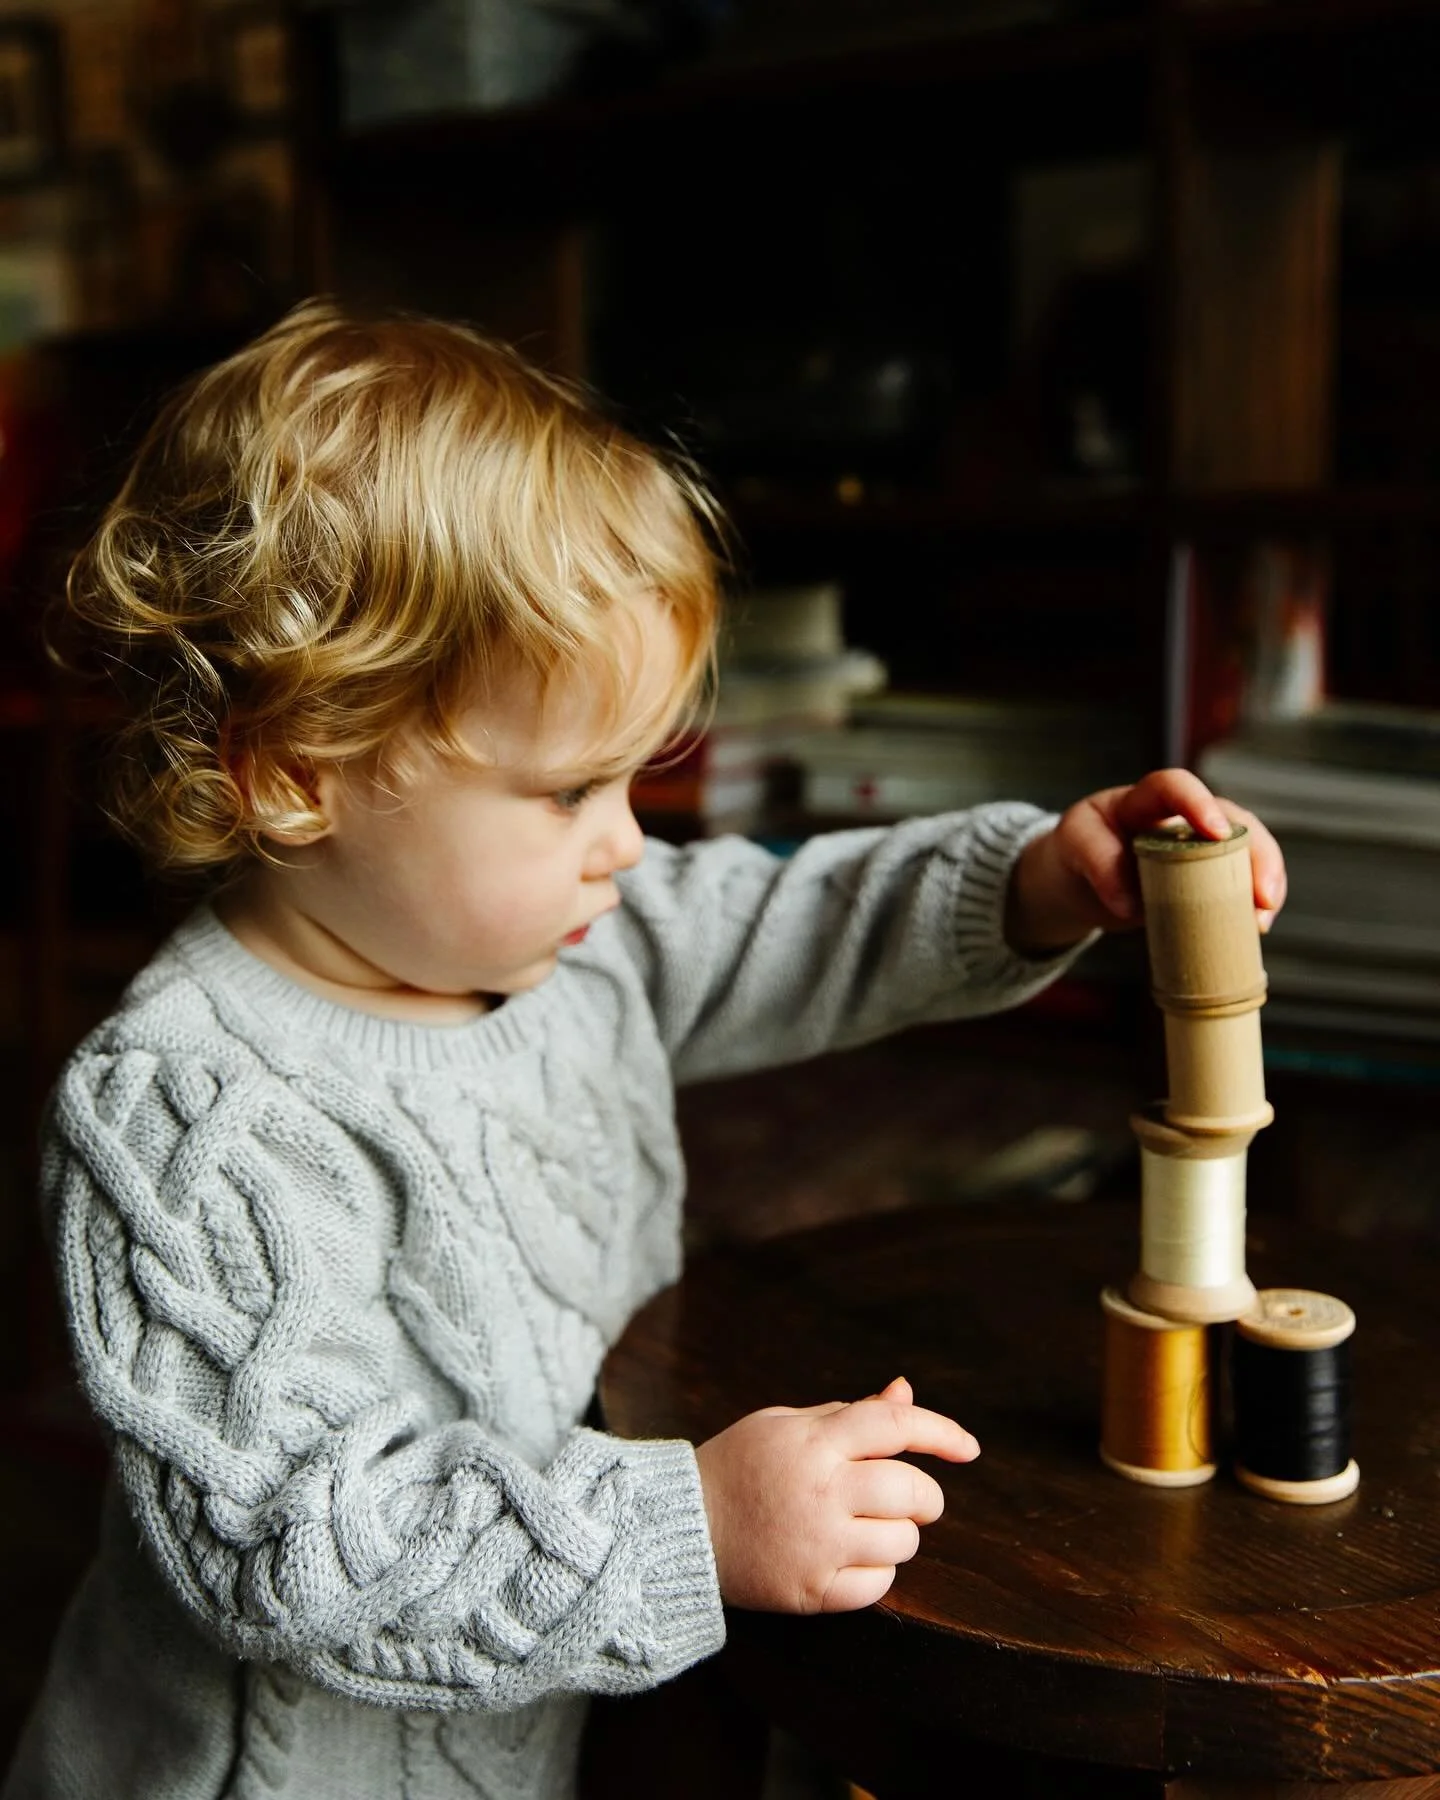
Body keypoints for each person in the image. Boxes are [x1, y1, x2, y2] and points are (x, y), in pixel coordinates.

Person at [5, 299, 1285, 1800]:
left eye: (636, 777)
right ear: (300, 774)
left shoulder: (573, 939)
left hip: (518, 1723)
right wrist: (689, 1526)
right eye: (568, 792)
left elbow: (783, 920)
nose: (627, 842)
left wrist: (1035, 883)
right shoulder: (184, 1103)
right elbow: (292, 1544)